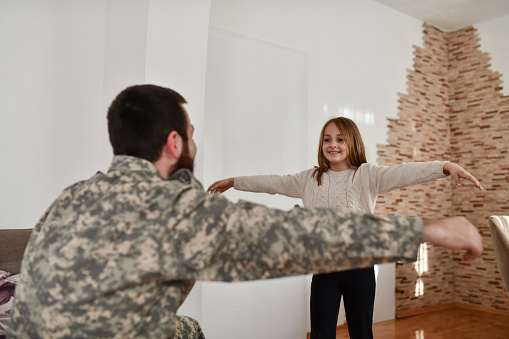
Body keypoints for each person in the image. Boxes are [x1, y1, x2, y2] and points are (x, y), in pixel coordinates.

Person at [8, 85, 482, 339]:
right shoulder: (172, 208)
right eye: (191, 132)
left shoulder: (70, 198)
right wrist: (428, 230)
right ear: (174, 142)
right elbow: (291, 236)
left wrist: (441, 167)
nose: (195, 141)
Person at [207, 116, 483, 339]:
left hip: (360, 269)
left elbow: (405, 172)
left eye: (340, 139)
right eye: (327, 139)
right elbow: (272, 183)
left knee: (361, 332)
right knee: (322, 332)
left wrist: (445, 166)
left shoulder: (367, 176)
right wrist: (234, 181)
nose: (332, 144)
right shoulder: (309, 179)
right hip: (324, 269)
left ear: (352, 142)